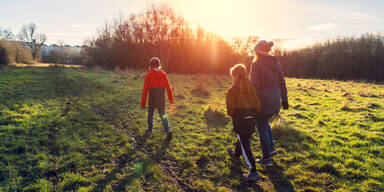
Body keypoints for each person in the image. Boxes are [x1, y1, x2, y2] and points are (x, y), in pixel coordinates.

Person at [250, 40, 289, 166]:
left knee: (261, 128)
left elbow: (254, 87)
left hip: (263, 101)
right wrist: (284, 100)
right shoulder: (276, 64)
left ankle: (266, 159)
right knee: (265, 123)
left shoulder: (255, 65)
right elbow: (282, 82)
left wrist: (251, 104)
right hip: (275, 101)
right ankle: (271, 149)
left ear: (257, 52)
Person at [226, 64, 262, 181]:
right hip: (251, 116)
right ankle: (236, 154)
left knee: (244, 142)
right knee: (243, 137)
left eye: (233, 76)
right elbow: (257, 102)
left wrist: (233, 113)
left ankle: (253, 171)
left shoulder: (233, 89)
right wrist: (254, 113)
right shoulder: (251, 87)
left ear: (236, 75)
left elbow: (230, 104)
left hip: (240, 117)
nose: (233, 79)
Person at [141, 57, 175, 139]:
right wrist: (171, 101)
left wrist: (143, 103)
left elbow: (145, 90)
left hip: (152, 100)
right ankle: (168, 130)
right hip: (161, 100)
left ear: (150, 65)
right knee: (163, 115)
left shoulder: (149, 75)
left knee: (150, 115)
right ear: (159, 65)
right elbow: (169, 89)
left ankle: (149, 129)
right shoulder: (163, 75)